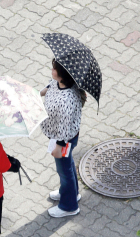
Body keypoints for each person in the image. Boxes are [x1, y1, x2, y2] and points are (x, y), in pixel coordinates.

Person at [40, 58, 87, 218]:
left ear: (62, 75)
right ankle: (70, 193)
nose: (51, 70)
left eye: (54, 69)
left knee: (64, 171)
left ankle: (69, 206)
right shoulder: (60, 82)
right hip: (59, 136)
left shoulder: (67, 101)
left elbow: (64, 129)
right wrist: (39, 92)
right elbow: (50, 86)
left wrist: (58, 147)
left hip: (63, 140)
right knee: (67, 167)